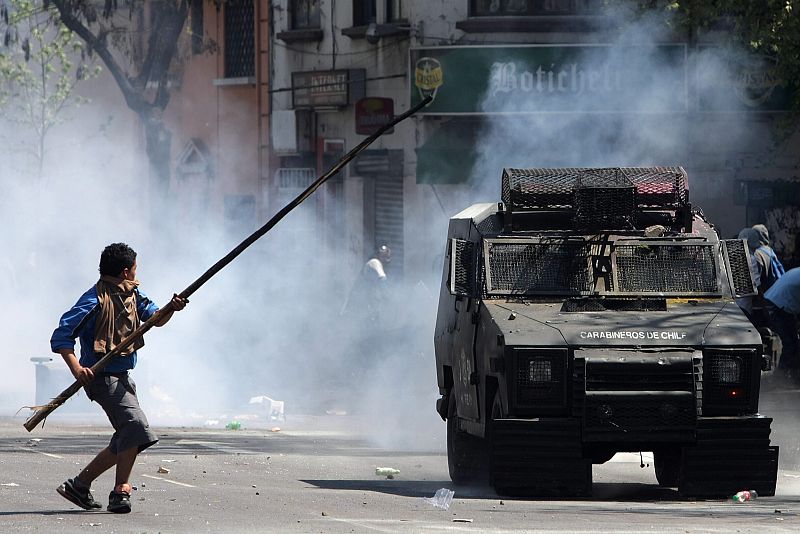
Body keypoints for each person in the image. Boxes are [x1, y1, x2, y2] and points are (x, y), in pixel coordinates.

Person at [50, 243, 186, 513]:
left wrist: (172, 308)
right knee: (135, 426)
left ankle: (80, 485)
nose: (136, 273)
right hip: (101, 377)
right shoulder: (94, 301)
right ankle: (120, 490)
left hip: (122, 377)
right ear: (125, 271)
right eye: (135, 269)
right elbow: (62, 336)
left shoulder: (133, 295)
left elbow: (155, 318)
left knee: (128, 434)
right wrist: (77, 368)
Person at [765, 267, 800, 381]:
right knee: (790, 344)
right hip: (778, 305)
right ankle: (779, 378)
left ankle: (792, 375)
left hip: (779, 302)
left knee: (794, 343)